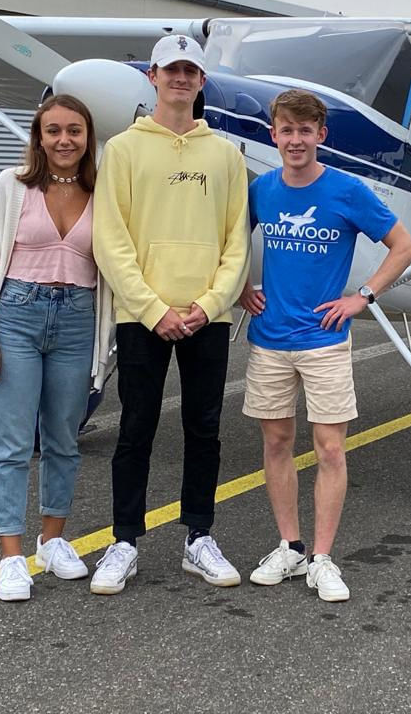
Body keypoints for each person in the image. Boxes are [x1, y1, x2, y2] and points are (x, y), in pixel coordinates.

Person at [239, 89, 411, 602]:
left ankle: (321, 558)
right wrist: (240, 286)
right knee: (276, 443)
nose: (295, 140)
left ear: (321, 135)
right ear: (273, 136)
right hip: (270, 339)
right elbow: (228, 242)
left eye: (304, 130)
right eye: (286, 130)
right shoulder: (263, 191)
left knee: (330, 448)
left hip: (324, 340)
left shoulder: (347, 191)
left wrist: (362, 296)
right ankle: (290, 546)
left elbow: (403, 246)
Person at [90, 34, 250, 595]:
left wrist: (208, 306)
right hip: (143, 316)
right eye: (171, 70)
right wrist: (154, 309)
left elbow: (237, 241)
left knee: (204, 430)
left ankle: (198, 537)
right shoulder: (123, 151)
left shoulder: (226, 155)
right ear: (153, 78)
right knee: (136, 429)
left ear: (201, 83)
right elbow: (112, 240)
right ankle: (125, 540)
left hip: (209, 318)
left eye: (191, 71)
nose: (180, 79)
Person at [0, 94, 111, 601]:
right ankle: (11, 556)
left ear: (87, 138)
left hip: (77, 320)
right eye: (53, 131)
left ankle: (51, 541)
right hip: (16, 316)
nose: (64, 140)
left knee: (63, 439)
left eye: (74, 130)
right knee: (11, 443)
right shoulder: (13, 186)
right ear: (39, 137)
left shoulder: (104, 192)